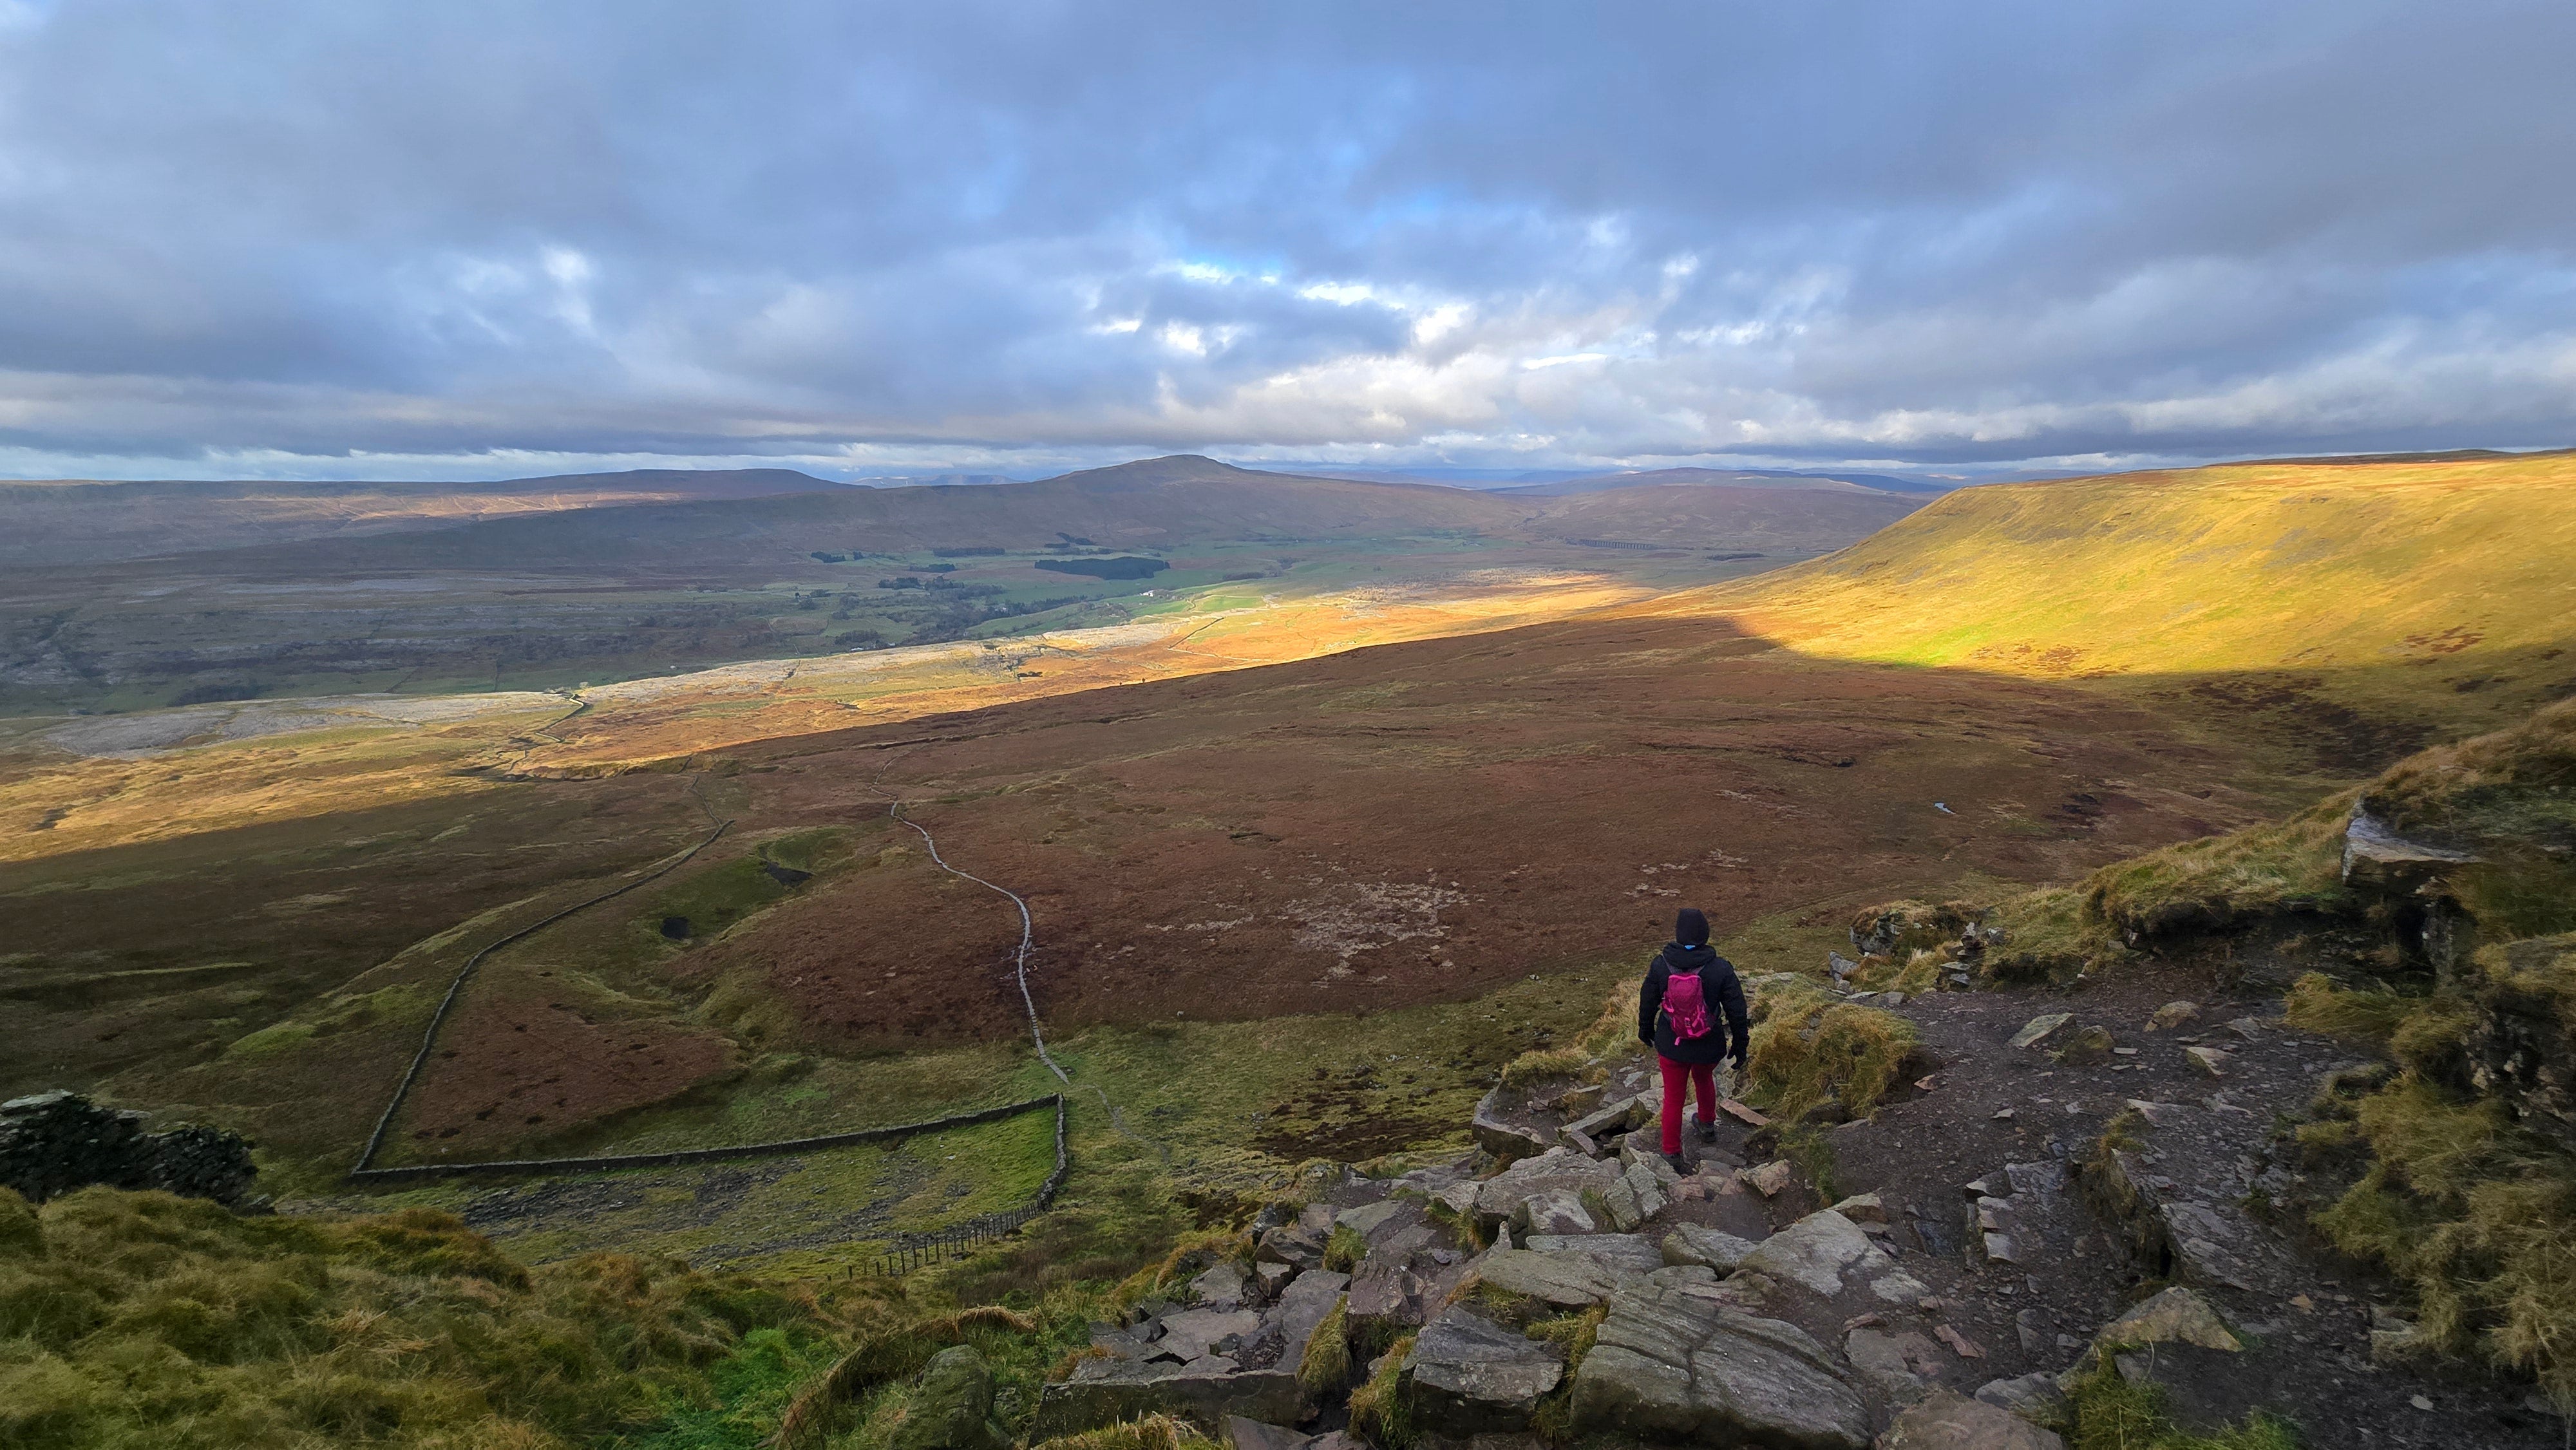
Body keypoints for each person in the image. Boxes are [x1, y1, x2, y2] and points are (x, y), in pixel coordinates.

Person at [1636, 907, 1750, 1169]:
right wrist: (1740, 1044)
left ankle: (1672, 1153)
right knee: (1704, 1079)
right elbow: (1737, 1010)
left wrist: (1645, 1029)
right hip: (1707, 1045)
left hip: (1671, 1044)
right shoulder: (1720, 968)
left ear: (1678, 934)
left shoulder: (1660, 965)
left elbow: (1648, 1000)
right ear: (1705, 935)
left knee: (1674, 1098)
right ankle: (1708, 1125)